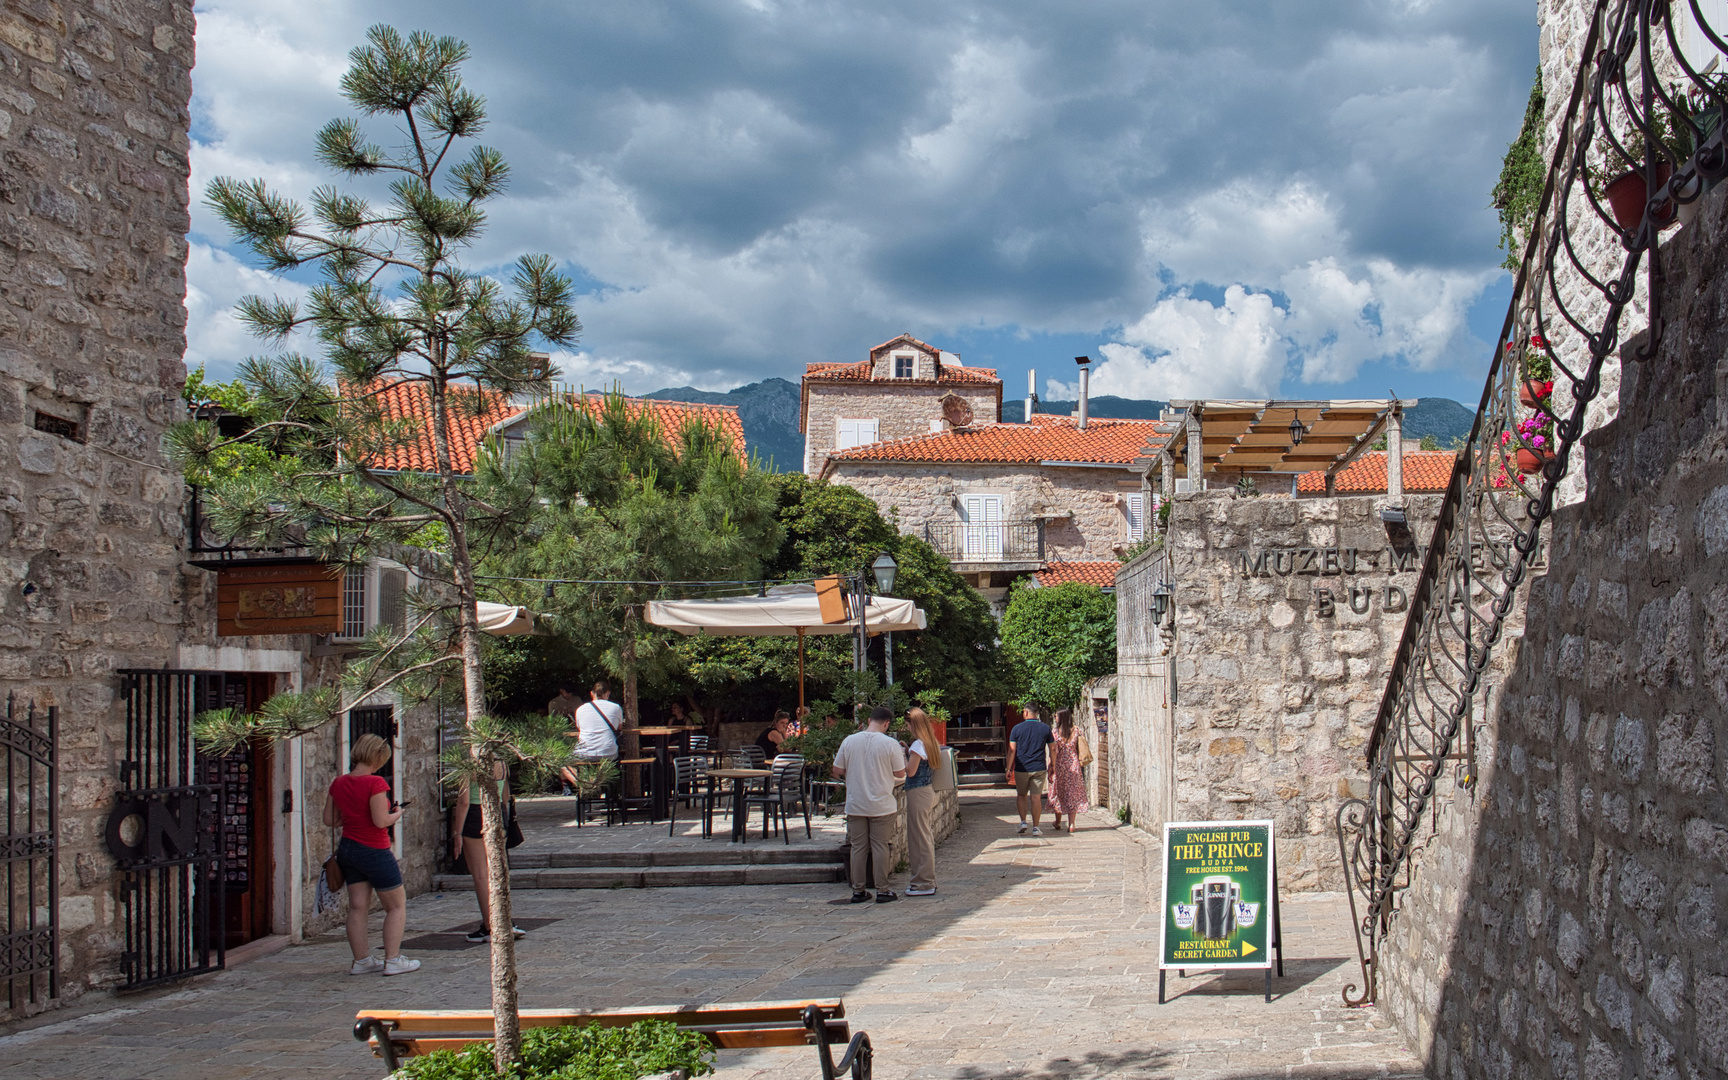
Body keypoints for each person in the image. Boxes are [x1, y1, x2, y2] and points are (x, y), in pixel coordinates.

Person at [324, 733, 418, 976]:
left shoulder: (338, 783)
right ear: (377, 756)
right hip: (374, 849)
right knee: (396, 906)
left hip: (348, 848)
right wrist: (397, 813)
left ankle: (362, 960)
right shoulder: (376, 784)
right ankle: (393, 959)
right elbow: (380, 821)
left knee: (357, 907)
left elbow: (329, 820)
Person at [830, 705, 906, 904]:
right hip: (881, 804)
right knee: (880, 846)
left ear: (870, 720)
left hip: (856, 803)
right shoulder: (890, 744)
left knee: (857, 847)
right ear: (886, 723)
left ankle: (858, 890)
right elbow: (900, 773)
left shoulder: (849, 741)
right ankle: (882, 889)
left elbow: (837, 769)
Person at [450, 761, 526, 943]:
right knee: (498, 871)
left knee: (481, 875)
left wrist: (457, 832)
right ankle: (506, 919)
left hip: (476, 815)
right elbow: (505, 795)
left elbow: (464, 801)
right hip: (499, 812)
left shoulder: (469, 766)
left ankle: (490, 925)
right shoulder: (502, 763)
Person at [902, 708, 942, 896]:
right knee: (923, 835)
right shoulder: (929, 742)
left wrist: (902, 755)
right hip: (926, 790)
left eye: (908, 724)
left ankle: (924, 882)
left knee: (920, 837)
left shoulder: (918, 745)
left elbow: (910, 771)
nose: (907, 727)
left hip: (917, 791)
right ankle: (922, 880)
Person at [560, 679, 623, 795]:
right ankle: (610, 794)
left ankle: (584, 785)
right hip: (608, 752)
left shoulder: (580, 709)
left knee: (563, 763)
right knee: (614, 760)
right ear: (608, 693)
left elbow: (579, 727)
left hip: (585, 753)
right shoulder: (616, 707)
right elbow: (619, 727)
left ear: (591, 693)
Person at [1007, 703, 1054, 836]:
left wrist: (1008, 768)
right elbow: (1053, 748)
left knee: (1021, 795)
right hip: (1039, 767)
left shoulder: (1017, 729)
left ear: (1026, 713)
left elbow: (1012, 751)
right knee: (1036, 797)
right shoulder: (1045, 728)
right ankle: (1036, 827)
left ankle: (1023, 822)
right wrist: (1053, 765)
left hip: (1022, 768)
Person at [1045, 708, 1088, 832]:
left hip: (1059, 765)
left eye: (1056, 716)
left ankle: (1058, 822)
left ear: (1061, 717)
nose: (1055, 718)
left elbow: (1052, 751)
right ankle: (1072, 824)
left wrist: (1051, 767)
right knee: (1072, 794)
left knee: (1058, 793)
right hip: (1073, 765)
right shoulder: (1077, 731)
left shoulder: (1055, 733)